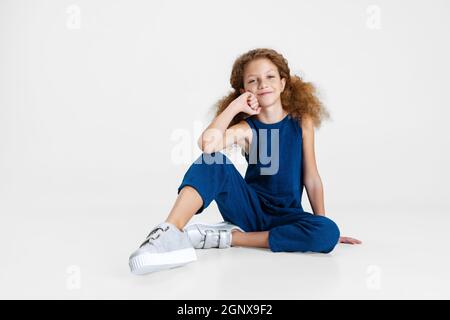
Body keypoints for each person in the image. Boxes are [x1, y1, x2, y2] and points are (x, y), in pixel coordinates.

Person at [129, 48, 361, 275]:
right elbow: (207, 145)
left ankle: (230, 237)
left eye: (270, 77)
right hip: (249, 209)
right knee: (213, 161)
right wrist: (235, 107)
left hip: (287, 215)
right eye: (253, 81)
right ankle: (171, 232)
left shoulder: (302, 122)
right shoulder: (246, 129)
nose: (263, 84)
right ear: (243, 90)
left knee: (328, 232)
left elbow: (311, 177)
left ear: (283, 83)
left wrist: (319, 220)